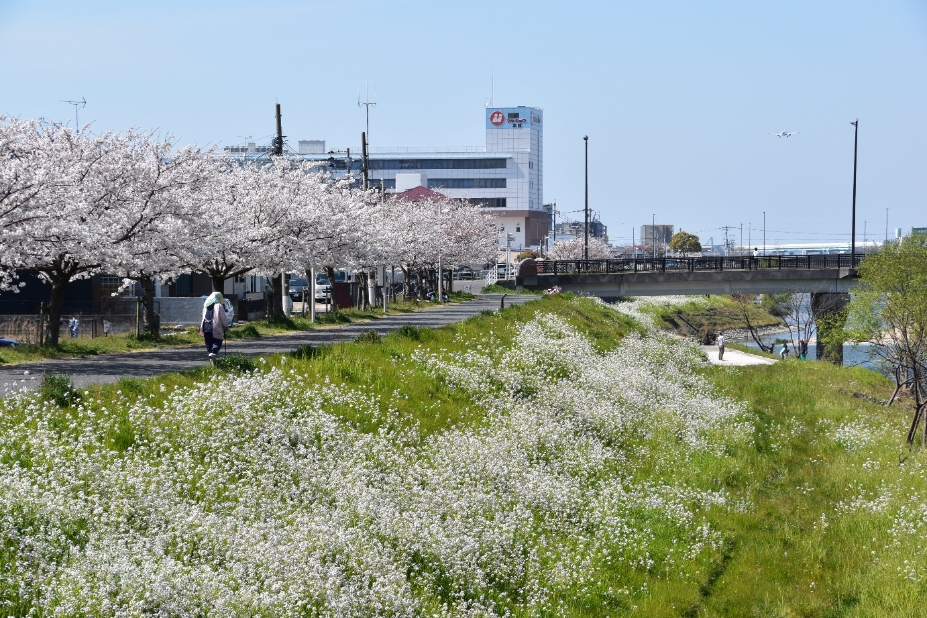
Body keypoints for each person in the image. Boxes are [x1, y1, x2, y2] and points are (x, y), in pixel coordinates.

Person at [200, 292, 229, 359]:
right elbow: (223, 318)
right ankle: (213, 352)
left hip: (206, 327)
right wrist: (225, 326)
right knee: (218, 340)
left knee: (208, 342)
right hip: (216, 327)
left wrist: (201, 328)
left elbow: (203, 318)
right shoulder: (219, 306)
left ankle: (211, 354)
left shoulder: (206, 306)